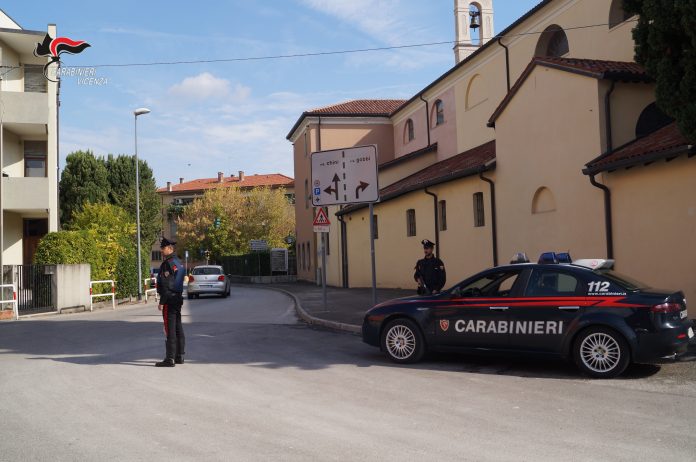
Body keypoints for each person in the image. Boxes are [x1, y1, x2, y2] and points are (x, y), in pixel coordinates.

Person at [155, 237, 186, 367]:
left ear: (169, 248)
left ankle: (170, 358)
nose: (161, 251)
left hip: (170, 299)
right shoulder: (177, 262)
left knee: (170, 329)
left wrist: (162, 301)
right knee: (178, 327)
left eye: (163, 248)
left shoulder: (167, 263)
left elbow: (167, 284)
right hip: (178, 298)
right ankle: (179, 356)